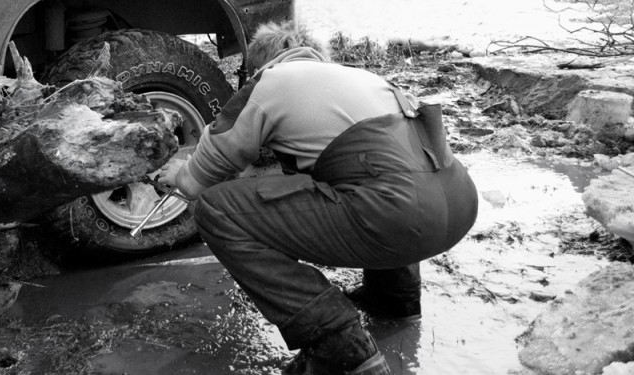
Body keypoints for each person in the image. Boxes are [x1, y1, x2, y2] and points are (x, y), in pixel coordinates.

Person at [159, 21, 478, 375]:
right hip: (458, 202)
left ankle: (338, 345)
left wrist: (180, 175)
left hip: (397, 212)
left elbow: (208, 169)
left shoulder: (272, 80)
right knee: (373, 180)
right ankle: (394, 301)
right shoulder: (359, 78)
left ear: (263, 63)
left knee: (217, 209)